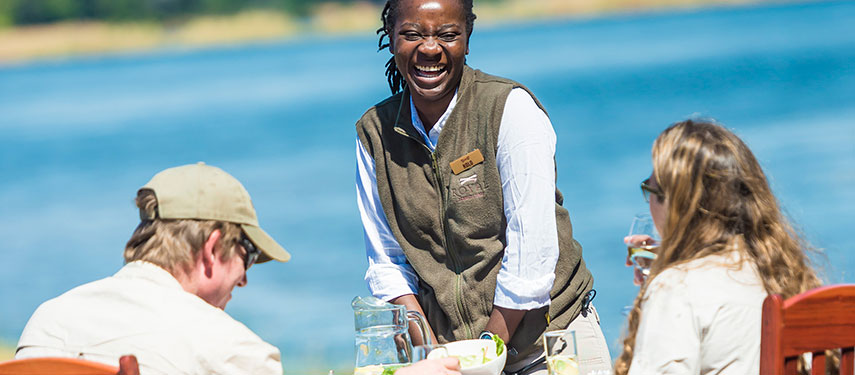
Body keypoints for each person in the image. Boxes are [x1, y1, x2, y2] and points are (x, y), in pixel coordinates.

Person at [354, 0, 612, 373]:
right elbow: (387, 262)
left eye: (448, 34)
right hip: (457, 359)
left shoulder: (509, 109)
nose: (430, 48)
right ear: (392, 38)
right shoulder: (374, 134)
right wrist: (430, 353)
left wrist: (485, 353)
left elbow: (531, 256)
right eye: (412, 34)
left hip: (550, 343)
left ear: (467, 39)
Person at [15, 162, 291, 375]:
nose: (243, 279)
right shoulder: (236, 353)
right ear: (213, 248)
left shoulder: (49, 321)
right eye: (249, 255)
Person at [614, 120, 822, 374]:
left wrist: (666, 278)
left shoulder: (676, 289)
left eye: (649, 189)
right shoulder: (781, 273)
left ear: (677, 205)